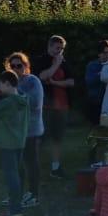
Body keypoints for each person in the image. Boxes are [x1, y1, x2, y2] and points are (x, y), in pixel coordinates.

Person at [0, 71, 29, 216]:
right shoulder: (23, 99)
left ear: (8, 84)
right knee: (18, 173)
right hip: (19, 141)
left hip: (7, 143)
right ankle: (17, 202)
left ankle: (15, 208)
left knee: (11, 175)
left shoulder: (7, 102)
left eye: (0, 85)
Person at [5, 52, 44, 207]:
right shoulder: (9, 82)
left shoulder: (33, 81)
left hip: (31, 130)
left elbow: (34, 103)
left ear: (26, 66)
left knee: (31, 162)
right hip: (14, 130)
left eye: (19, 66)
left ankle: (34, 195)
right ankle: (17, 194)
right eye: (12, 66)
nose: (16, 69)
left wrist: (16, 94)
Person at [33, 35, 75, 181]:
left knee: (58, 137)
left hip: (62, 105)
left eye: (62, 49)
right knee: (39, 138)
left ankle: (55, 167)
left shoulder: (64, 62)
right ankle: (33, 167)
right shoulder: (41, 60)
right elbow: (43, 77)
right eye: (57, 48)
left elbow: (71, 82)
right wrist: (56, 65)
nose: (60, 51)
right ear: (49, 47)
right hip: (45, 105)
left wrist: (56, 83)